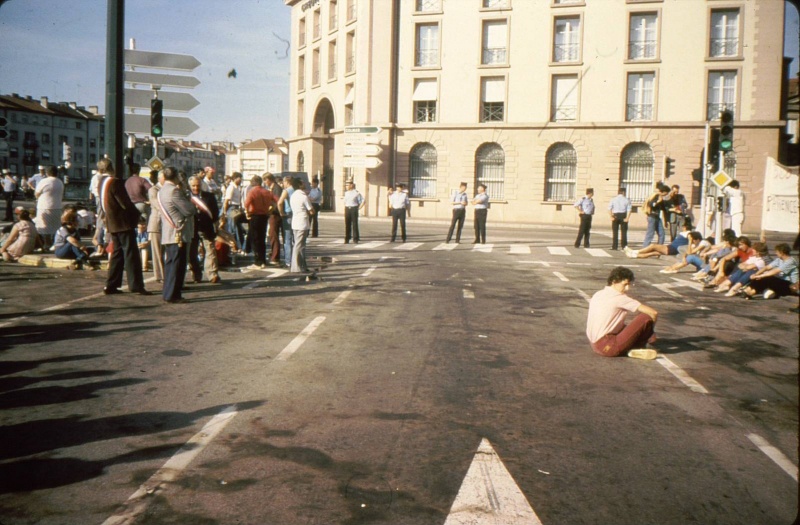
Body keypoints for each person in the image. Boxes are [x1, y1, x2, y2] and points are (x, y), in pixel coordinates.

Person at [97, 158, 151, 296]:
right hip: (122, 222)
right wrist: (138, 216)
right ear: (112, 167)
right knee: (131, 254)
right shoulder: (115, 182)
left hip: (112, 222)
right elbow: (125, 203)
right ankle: (136, 285)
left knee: (117, 253)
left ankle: (111, 284)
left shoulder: (101, 182)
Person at [586, 266, 659, 359]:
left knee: (626, 326)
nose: (627, 288)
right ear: (614, 281)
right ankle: (637, 347)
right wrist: (651, 331)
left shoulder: (598, 294)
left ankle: (628, 350)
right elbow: (653, 313)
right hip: (608, 347)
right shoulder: (620, 298)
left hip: (595, 345)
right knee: (645, 317)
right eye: (625, 284)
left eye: (629, 284)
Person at [159, 167, 196, 303]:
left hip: (169, 231)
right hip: (178, 231)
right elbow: (189, 210)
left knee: (170, 264)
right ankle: (173, 294)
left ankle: (168, 292)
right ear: (175, 177)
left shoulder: (162, 190)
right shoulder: (174, 191)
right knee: (177, 264)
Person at [188, 175, 222, 283]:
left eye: (198, 185)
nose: (196, 188)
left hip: (206, 228)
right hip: (192, 228)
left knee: (210, 251)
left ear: (201, 185)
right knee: (192, 253)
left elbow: (215, 212)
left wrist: (215, 223)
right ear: (190, 186)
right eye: (193, 186)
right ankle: (196, 275)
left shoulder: (209, 196)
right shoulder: (186, 197)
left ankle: (212, 274)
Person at [243, 174, 276, 270]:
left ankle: (257, 262)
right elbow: (276, 201)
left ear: (253, 183)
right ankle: (263, 261)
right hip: (264, 216)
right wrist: (270, 211)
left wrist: (247, 213)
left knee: (255, 239)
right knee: (262, 239)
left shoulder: (252, 191)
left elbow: (246, 204)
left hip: (255, 216)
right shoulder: (267, 192)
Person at [34, 165, 64, 250]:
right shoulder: (60, 182)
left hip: (45, 206)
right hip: (57, 206)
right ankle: (55, 243)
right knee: (55, 227)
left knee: (44, 227)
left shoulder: (44, 181)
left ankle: (47, 244)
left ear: (47, 173)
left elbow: (36, 193)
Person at [626, 221, 692, 259]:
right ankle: (634, 255)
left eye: (682, 226)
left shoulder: (689, 233)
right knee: (652, 253)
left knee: (653, 246)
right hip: (672, 248)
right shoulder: (685, 233)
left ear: (685, 227)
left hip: (672, 248)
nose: (681, 227)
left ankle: (635, 251)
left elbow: (690, 241)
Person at [289, 177, 315, 273]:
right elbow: (311, 210)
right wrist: (311, 211)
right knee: (299, 245)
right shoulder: (303, 196)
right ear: (299, 185)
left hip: (295, 222)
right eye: (303, 183)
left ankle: (302, 265)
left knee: (300, 245)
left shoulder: (293, 195)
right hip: (302, 223)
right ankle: (296, 267)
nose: (305, 184)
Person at [147, 171, 165, 283]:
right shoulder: (153, 189)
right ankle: (160, 275)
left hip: (167, 224)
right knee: (158, 251)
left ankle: (165, 274)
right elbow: (157, 205)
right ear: (159, 178)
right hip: (157, 223)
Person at [223, 172, 245, 253]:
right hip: (232, 208)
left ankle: (239, 246)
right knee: (232, 229)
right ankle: (234, 247)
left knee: (237, 228)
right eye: (240, 178)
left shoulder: (237, 187)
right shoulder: (231, 187)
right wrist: (225, 213)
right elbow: (226, 201)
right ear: (235, 178)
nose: (241, 180)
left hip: (236, 208)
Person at [642, 183, 670, 247]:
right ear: (664, 191)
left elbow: (664, 210)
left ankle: (660, 247)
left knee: (662, 233)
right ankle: (645, 247)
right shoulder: (655, 196)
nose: (667, 194)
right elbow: (652, 204)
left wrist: (665, 221)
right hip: (652, 216)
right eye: (666, 192)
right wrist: (658, 202)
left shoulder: (661, 199)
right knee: (650, 233)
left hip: (657, 217)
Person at [264, 174, 283, 264]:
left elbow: (277, 202)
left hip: (275, 215)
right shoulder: (272, 188)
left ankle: (275, 257)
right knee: (271, 235)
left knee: (273, 235)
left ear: (269, 179)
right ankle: (273, 253)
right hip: (272, 214)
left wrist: (270, 209)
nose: (264, 182)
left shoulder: (276, 188)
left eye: (265, 180)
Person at [277, 176, 295, 265]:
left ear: (286, 182)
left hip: (287, 214)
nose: (283, 184)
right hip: (295, 214)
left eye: (283, 182)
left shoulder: (286, 191)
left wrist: (281, 213)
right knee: (294, 238)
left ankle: (288, 260)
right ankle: (295, 259)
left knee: (287, 239)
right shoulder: (295, 190)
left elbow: (279, 202)